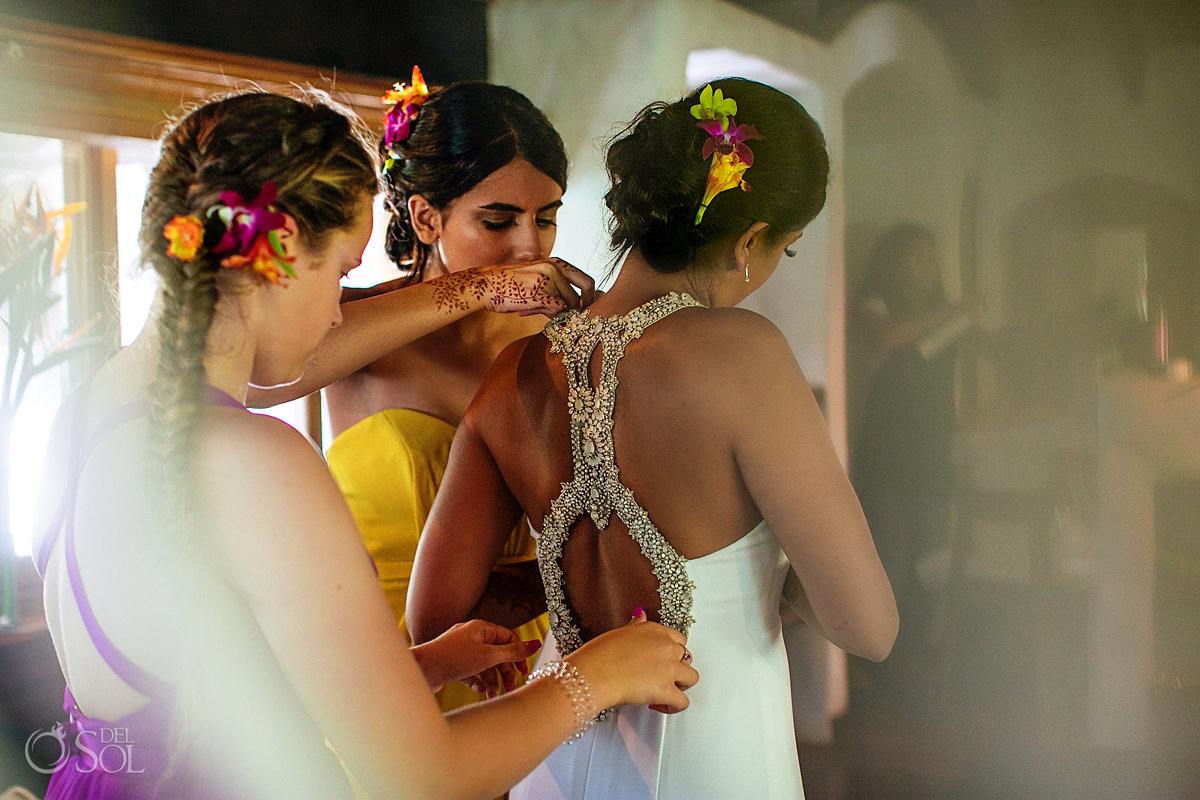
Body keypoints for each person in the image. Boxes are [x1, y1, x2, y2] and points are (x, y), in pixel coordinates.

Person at [32, 88, 697, 800]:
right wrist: (597, 675)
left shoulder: (84, 412)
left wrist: (423, 669)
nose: (336, 317)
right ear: (282, 251)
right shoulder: (255, 465)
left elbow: (208, 697)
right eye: (343, 275)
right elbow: (425, 777)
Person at [407, 78, 897, 799]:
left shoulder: (513, 375)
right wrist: (756, 580)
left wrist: (578, 577)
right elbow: (867, 626)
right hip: (711, 746)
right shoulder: (743, 355)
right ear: (749, 242)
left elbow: (438, 616)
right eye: (783, 251)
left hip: (553, 749)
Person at [248, 74, 579, 705]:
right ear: (427, 217)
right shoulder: (344, 320)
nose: (529, 246)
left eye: (546, 218)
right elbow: (257, 377)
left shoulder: (557, 339)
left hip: (527, 656)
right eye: (498, 220)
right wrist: (473, 291)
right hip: (377, 666)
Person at [848, 223, 977, 674]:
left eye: (932, 258)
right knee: (888, 546)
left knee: (932, 546)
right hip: (890, 444)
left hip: (934, 443)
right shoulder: (878, 304)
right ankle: (879, 655)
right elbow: (885, 336)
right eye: (919, 258)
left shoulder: (946, 313)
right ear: (897, 262)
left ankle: (924, 648)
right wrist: (949, 313)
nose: (929, 268)